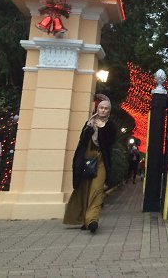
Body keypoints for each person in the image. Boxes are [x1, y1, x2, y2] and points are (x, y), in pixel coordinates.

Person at [63, 98, 116, 234]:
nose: (103, 110)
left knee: (97, 190)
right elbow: (82, 141)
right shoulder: (89, 123)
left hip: (101, 160)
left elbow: (110, 142)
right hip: (87, 160)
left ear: (109, 111)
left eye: (106, 108)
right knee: (84, 189)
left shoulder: (110, 125)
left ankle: (92, 220)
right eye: (101, 108)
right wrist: (89, 131)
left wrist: (101, 129)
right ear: (97, 109)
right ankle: (84, 220)